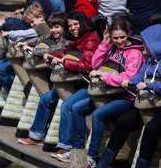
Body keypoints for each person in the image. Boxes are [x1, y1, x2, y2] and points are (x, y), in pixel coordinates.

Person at [57, 15, 144, 168]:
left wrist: (104, 76)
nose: (118, 41)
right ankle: (78, 152)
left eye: (122, 37)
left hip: (124, 97)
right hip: (106, 92)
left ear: (129, 34)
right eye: (115, 38)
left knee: (98, 114)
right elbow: (95, 64)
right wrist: (104, 43)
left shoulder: (134, 53)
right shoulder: (112, 47)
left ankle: (91, 156)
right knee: (77, 108)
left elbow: (129, 77)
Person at [18, 11, 101, 150]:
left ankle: (66, 145)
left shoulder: (91, 39)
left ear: (83, 23)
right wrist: (51, 55)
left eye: (76, 24)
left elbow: (87, 65)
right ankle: (36, 136)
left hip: (85, 84)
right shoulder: (77, 38)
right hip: (73, 81)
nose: (73, 28)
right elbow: (65, 53)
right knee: (46, 99)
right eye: (70, 25)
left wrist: (64, 62)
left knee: (67, 105)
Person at [96, 23, 161, 168]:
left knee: (151, 129)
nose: (143, 46)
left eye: (145, 43)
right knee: (123, 122)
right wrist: (130, 81)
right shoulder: (150, 59)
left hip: (159, 105)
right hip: (149, 102)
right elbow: (140, 75)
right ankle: (105, 163)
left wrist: (148, 85)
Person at [0, 2, 50, 94]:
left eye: (32, 21)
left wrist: (9, 33)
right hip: (34, 57)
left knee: (1, 70)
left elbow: (25, 33)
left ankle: (15, 93)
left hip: (38, 60)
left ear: (40, 17)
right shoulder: (41, 26)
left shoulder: (42, 27)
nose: (31, 25)